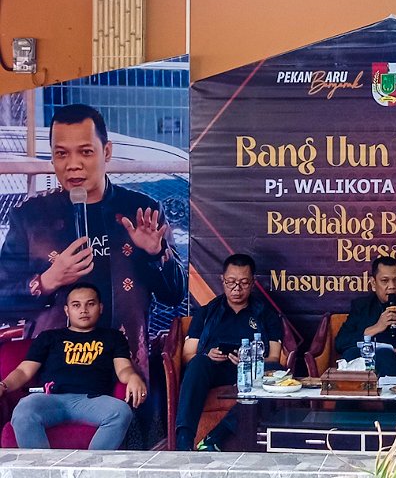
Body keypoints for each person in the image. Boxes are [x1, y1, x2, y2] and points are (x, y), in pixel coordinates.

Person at [0, 103, 187, 381]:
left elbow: (175, 295)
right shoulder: (31, 216)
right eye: (61, 153)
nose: (73, 164)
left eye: (86, 152)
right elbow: (3, 301)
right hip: (54, 373)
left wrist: (155, 253)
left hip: (126, 372)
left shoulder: (140, 211)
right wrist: (47, 281)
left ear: (106, 152)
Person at [0, 283, 146, 449]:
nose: (83, 310)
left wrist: (133, 377)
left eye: (90, 304)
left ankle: (90, 464)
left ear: (100, 308)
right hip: (51, 400)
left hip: (93, 401)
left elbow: (124, 368)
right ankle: (44, 465)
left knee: (121, 411)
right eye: (76, 305)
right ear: (67, 310)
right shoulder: (49, 337)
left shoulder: (113, 337)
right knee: (24, 411)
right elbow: (24, 371)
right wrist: (3, 385)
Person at [174, 253, 282, 451]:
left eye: (243, 283)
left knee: (278, 372)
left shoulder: (267, 315)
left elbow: (274, 357)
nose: (237, 289)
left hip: (252, 374)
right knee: (197, 363)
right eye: (231, 282)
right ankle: (184, 441)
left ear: (253, 282)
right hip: (214, 371)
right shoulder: (206, 313)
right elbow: (187, 355)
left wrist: (250, 360)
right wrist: (207, 355)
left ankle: (215, 437)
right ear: (222, 280)